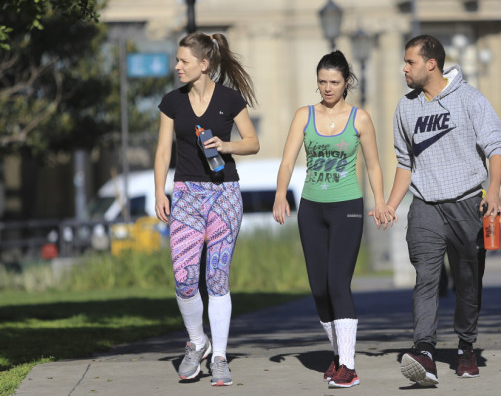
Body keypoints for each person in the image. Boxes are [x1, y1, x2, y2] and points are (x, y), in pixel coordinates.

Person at [382, 35, 501, 386]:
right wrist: (392, 205)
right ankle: (424, 352)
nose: (404, 69)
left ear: (431, 64)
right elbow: (404, 163)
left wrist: (493, 192)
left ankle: (466, 345)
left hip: (468, 202)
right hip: (425, 207)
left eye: (410, 62)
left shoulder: (469, 99)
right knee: (426, 279)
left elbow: (496, 146)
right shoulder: (405, 108)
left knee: (468, 282)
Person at [272, 50, 393, 389]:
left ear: (346, 83)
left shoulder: (360, 119)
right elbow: (286, 161)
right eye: (322, 82)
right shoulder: (304, 116)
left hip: (347, 208)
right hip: (312, 208)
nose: (327, 88)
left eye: (334, 82)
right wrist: (281, 194)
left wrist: (380, 202)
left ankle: (349, 367)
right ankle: (338, 355)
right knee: (318, 288)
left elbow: (373, 165)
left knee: (338, 283)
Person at [154, 32, 260, 386]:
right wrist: (160, 193)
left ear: (204, 64)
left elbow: (253, 143)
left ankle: (219, 357)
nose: (177, 67)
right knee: (184, 279)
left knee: (216, 279)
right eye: (177, 60)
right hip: (185, 195)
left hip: (224, 194)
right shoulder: (172, 102)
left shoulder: (230, 100)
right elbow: (163, 153)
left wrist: (225, 145)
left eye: (183, 61)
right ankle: (197, 342)